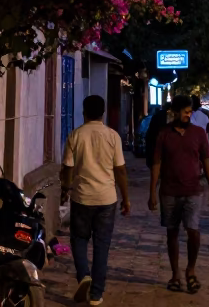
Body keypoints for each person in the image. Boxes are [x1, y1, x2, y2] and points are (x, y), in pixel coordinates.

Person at [61, 95, 130, 305]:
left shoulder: (75, 136)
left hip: (82, 196)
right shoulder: (113, 136)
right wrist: (126, 198)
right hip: (107, 198)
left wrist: (65, 189)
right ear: (103, 112)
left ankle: (84, 275)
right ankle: (96, 294)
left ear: (84, 111)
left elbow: (68, 169)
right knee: (102, 245)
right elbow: (120, 170)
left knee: (79, 239)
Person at [148, 96, 209, 293]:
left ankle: (191, 270)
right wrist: (152, 192)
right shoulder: (164, 134)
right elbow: (156, 164)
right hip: (169, 191)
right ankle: (175, 273)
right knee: (172, 233)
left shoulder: (198, 133)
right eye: (185, 111)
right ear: (175, 112)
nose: (189, 114)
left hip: (193, 190)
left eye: (190, 111)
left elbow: (206, 160)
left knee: (193, 231)